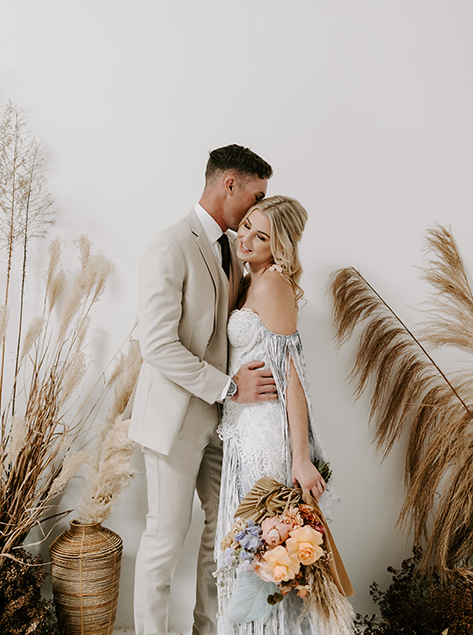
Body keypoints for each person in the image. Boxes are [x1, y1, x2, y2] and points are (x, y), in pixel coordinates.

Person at [129, 144, 276, 635]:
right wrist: (229, 387)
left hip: (221, 427)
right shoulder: (169, 245)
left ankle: (208, 629)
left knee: (226, 534)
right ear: (227, 183)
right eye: (254, 196)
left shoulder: (233, 249)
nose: (256, 210)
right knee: (165, 538)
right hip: (174, 421)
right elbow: (157, 345)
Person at [215, 195, 354, 635]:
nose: (248, 240)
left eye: (263, 236)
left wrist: (299, 458)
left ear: (281, 249)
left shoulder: (271, 284)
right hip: (241, 427)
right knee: (248, 551)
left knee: (264, 552)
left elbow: (294, 375)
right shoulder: (246, 279)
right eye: (248, 227)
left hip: (264, 434)